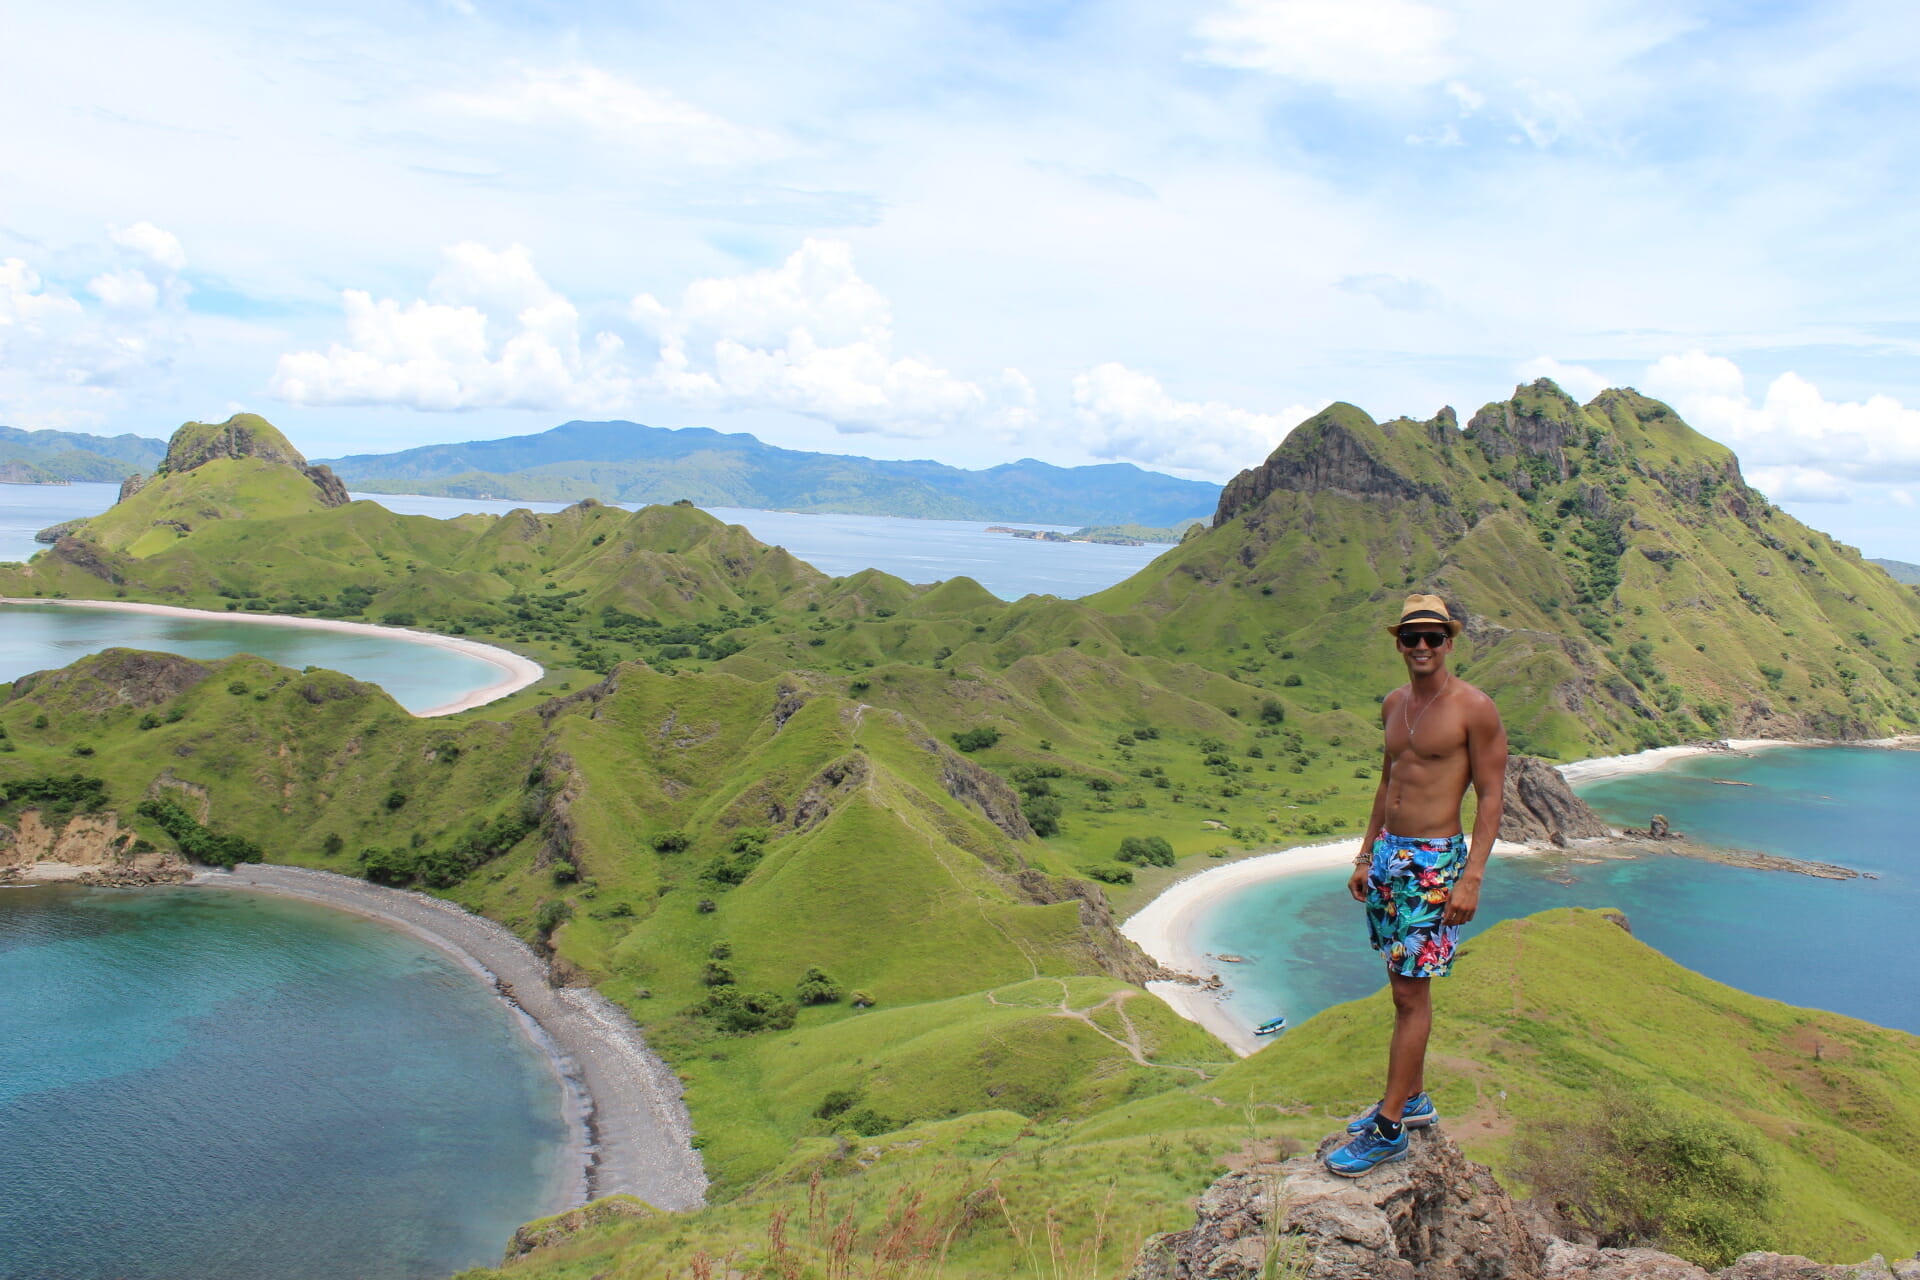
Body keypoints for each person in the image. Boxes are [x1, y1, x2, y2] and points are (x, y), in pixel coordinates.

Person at [1323, 594, 1508, 1177]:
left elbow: (1492, 797)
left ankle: (1390, 1128)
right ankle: (1416, 1100)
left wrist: (1471, 876)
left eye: (1433, 637)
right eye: (1412, 637)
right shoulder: (1394, 704)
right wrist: (1364, 852)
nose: (1422, 646)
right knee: (1400, 986)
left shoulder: (1474, 709)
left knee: (1409, 995)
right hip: (1388, 860)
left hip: (1433, 864)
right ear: (1398, 644)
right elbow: (1389, 781)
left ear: (1449, 642)